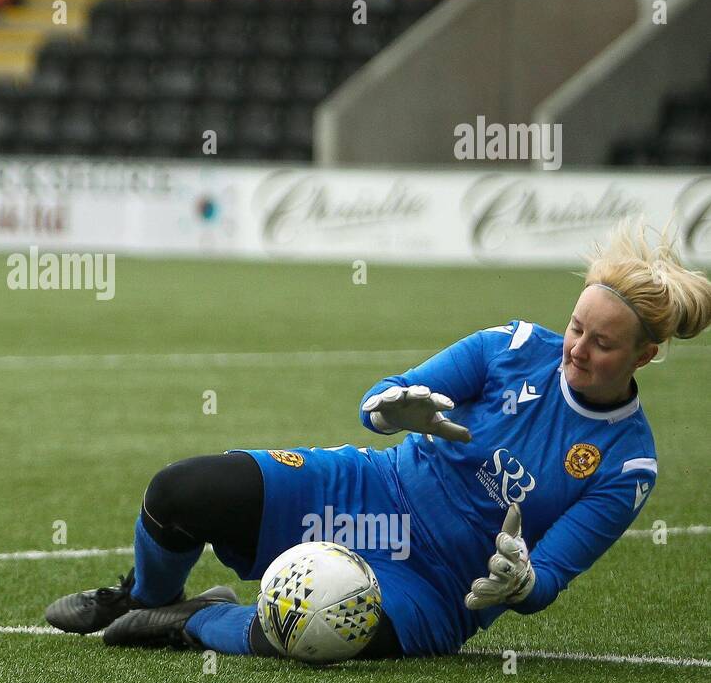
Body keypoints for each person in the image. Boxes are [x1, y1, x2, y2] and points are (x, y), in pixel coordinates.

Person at [45, 220, 710, 658]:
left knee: (311, 633)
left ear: (644, 357)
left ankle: (187, 623)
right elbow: (382, 399)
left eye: (602, 343)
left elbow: (552, 575)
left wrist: (521, 582)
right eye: (574, 328)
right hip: (367, 488)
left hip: (435, 585)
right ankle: (143, 597)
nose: (575, 350)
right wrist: (393, 410)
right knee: (179, 491)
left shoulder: (629, 462)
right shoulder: (509, 347)